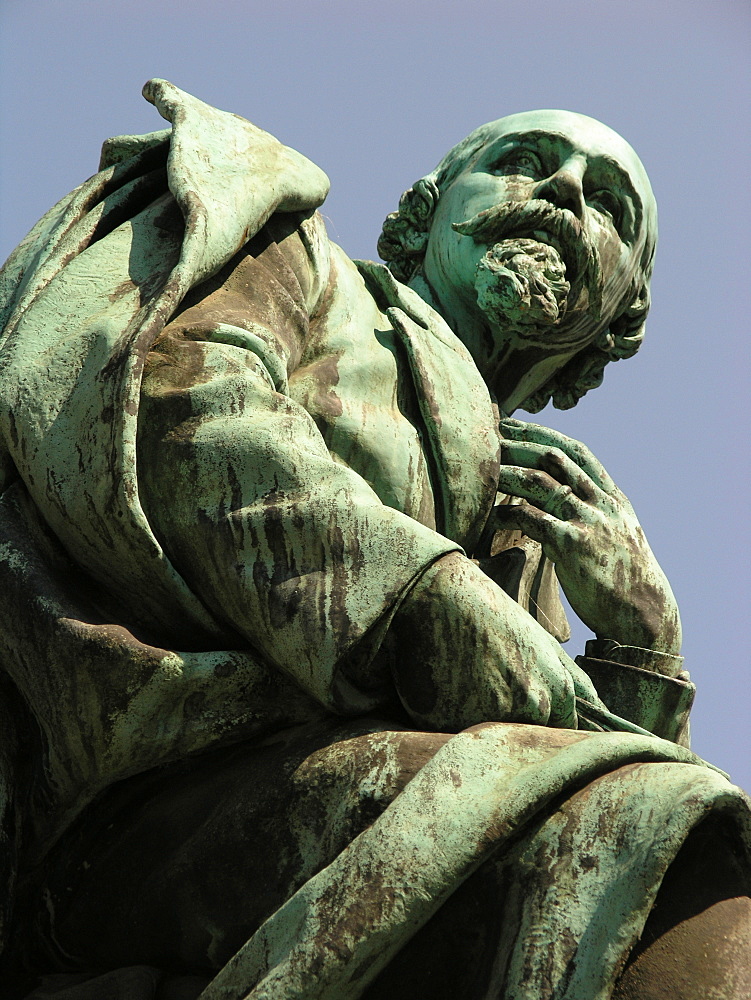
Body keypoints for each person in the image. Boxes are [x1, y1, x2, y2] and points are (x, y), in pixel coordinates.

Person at [0, 80, 748, 1000]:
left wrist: (641, 638)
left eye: (610, 206)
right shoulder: (290, 256)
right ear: (429, 211)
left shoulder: (534, 519)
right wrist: (428, 600)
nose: (564, 193)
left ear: (617, 309)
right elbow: (177, 401)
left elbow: (559, 740)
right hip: (144, 794)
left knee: (666, 853)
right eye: (521, 163)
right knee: (681, 880)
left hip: (347, 791)